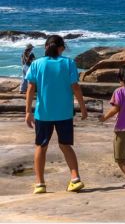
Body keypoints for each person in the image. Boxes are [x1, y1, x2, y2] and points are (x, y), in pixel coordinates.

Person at [24, 35, 87, 194]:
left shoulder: (37, 64)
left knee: (41, 146)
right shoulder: (68, 63)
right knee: (65, 145)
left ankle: (40, 184)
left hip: (43, 113)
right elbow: (76, 87)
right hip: (64, 113)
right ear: (62, 48)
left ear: (46, 47)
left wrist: (27, 112)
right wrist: (83, 107)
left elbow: (30, 89)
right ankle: (75, 179)